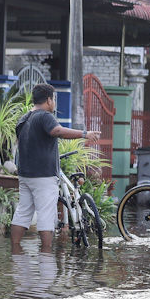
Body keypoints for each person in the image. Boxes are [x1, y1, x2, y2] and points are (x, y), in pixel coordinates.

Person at [11, 82, 101, 253]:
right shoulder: (45, 116)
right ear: (49, 100)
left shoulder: (23, 119)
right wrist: (85, 134)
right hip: (43, 176)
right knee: (46, 215)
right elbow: (57, 131)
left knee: (23, 212)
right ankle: (46, 257)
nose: (54, 103)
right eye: (54, 99)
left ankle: (15, 253)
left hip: (25, 175)